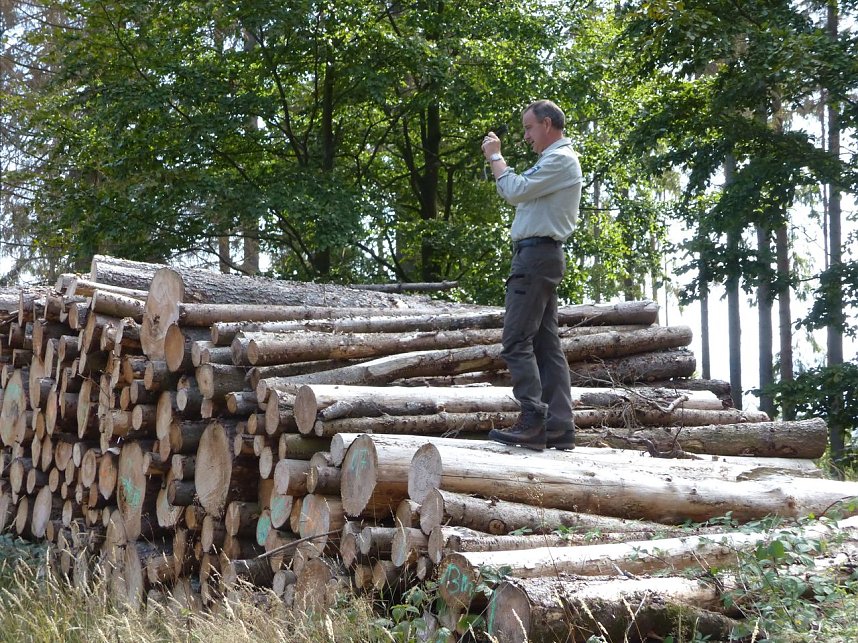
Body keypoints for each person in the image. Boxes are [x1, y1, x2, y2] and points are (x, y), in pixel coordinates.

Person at [480, 99, 582, 451]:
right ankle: (558, 425)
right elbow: (521, 191)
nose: (526, 137)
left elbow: (514, 190)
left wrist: (495, 157)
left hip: (536, 258)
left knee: (515, 340)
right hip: (541, 257)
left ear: (548, 124)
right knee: (545, 344)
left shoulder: (559, 160)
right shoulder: (553, 161)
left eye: (529, 128)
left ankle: (533, 420)